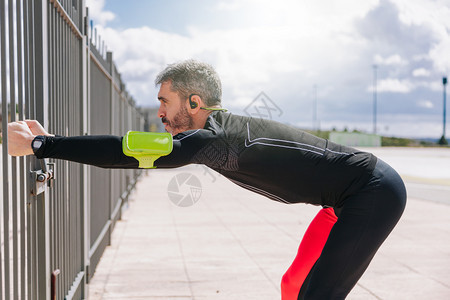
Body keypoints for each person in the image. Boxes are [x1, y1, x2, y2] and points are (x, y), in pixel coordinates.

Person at [8, 59, 406, 299]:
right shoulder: (216, 132)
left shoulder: (216, 137)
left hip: (371, 192)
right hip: (343, 199)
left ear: (194, 102)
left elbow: (127, 152)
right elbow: (133, 148)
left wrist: (43, 144)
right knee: (294, 284)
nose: (160, 112)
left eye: (166, 101)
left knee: (320, 294)